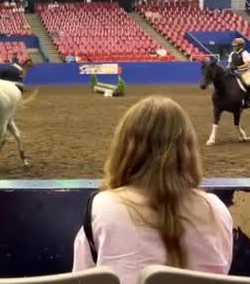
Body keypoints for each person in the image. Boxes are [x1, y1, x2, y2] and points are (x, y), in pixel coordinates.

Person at [72, 96, 233, 284]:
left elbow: (83, 277)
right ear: (187, 148)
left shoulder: (101, 206)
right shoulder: (216, 210)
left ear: (125, 148)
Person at [227, 37, 250, 107]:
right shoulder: (232, 54)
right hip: (234, 73)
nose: (234, 47)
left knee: (248, 83)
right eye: (233, 45)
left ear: (241, 46)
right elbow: (229, 64)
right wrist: (228, 68)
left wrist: (237, 67)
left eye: (235, 45)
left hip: (245, 72)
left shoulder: (245, 53)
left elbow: (247, 64)